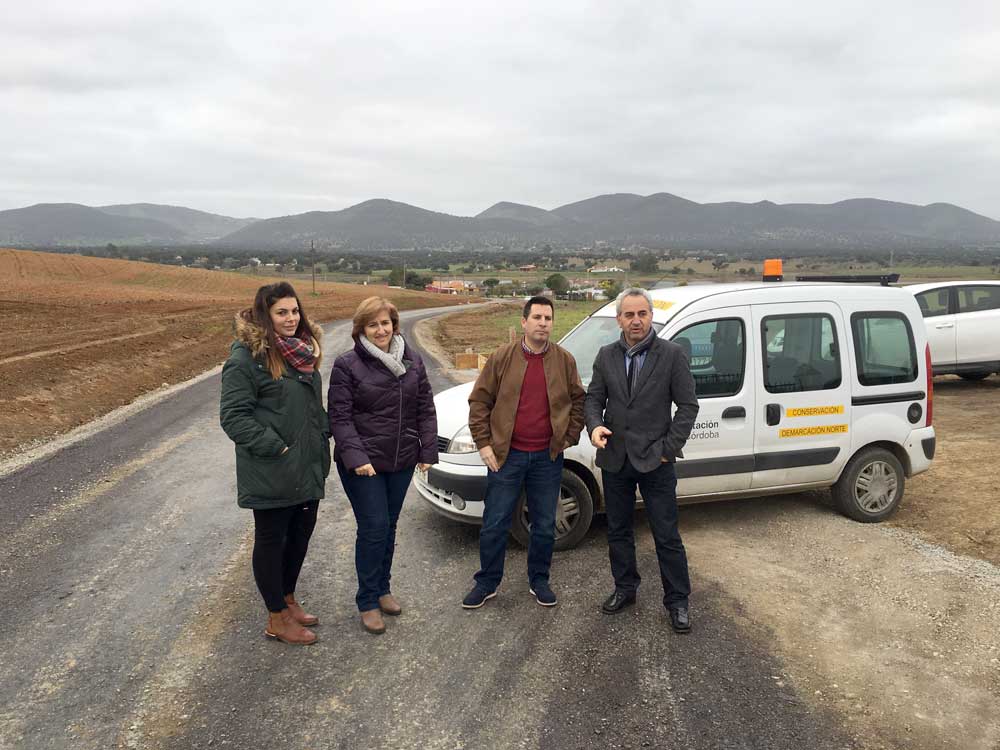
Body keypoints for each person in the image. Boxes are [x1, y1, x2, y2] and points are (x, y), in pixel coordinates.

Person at [220, 281, 330, 646]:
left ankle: (288, 599)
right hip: (273, 468)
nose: (291, 318)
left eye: (295, 311)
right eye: (281, 312)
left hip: (307, 466)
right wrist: (277, 447)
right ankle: (276, 618)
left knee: (299, 536)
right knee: (272, 540)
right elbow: (233, 417)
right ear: (265, 316)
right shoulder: (246, 358)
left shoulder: (302, 351)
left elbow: (310, 406)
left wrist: (324, 431)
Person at [584, 288, 699, 633]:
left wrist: (668, 448)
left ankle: (677, 602)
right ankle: (625, 588)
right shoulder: (606, 355)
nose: (636, 320)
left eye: (642, 314)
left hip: (656, 460)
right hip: (615, 458)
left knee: (666, 535)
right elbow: (594, 400)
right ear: (619, 319)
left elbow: (688, 406)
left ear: (651, 316)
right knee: (618, 531)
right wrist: (595, 426)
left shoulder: (672, 355)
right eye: (629, 315)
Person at [462, 296, 586, 609]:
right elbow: (479, 402)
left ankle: (539, 580)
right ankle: (487, 582)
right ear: (524, 322)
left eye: (548, 318)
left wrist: (568, 437)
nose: (543, 323)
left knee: (544, 525)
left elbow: (579, 401)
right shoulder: (502, 357)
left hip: (547, 458)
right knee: (495, 522)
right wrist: (484, 444)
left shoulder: (564, 360)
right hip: (507, 457)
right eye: (537, 317)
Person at [328, 297, 438, 635]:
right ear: (361, 329)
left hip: (401, 459)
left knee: (389, 526)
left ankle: (383, 588)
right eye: (373, 324)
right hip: (364, 465)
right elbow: (339, 417)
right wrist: (357, 458)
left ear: (394, 325)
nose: (381, 330)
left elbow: (425, 409)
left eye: (385, 323)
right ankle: (367, 601)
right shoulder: (347, 365)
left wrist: (427, 450)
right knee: (373, 526)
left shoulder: (412, 360)